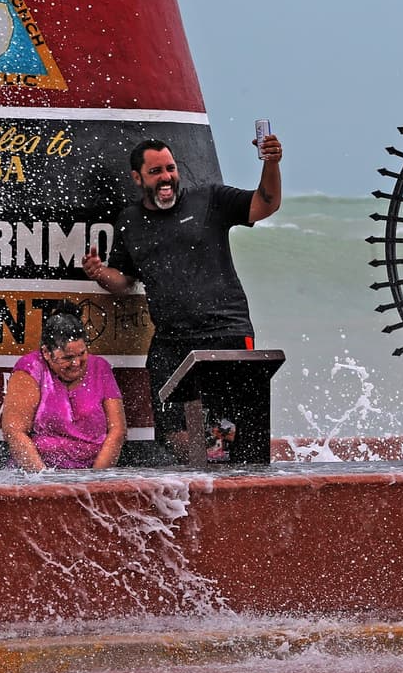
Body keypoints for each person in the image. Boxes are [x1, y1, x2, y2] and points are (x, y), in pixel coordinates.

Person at [81, 132, 283, 460]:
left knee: (227, 435)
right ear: (137, 177)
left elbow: (266, 203)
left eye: (171, 168)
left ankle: (231, 489)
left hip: (225, 334)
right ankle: (189, 490)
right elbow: (125, 280)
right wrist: (99, 273)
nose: (166, 178)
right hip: (171, 342)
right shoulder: (130, 221)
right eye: (156, 171)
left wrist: (271, 163)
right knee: (174, 434)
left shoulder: (210, 200)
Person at [0, 310, 126, 471]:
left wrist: (95, 480)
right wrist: (44, 481)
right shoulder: (30, 368)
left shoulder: (100, 367)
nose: (76, 363)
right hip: (39, 473)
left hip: (93, 474)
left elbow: (117, 431)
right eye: (67, 358)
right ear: (46, 353)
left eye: (82, 354)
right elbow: (14, 431)